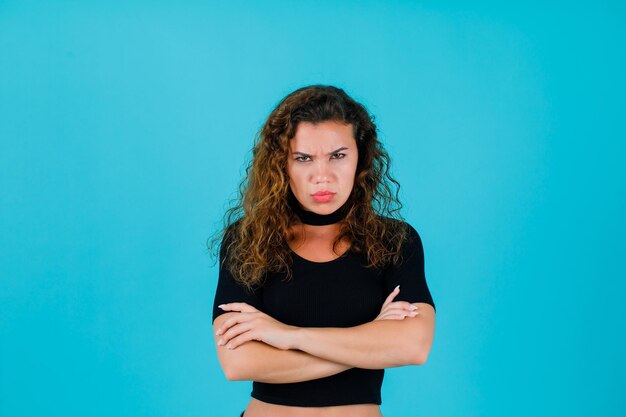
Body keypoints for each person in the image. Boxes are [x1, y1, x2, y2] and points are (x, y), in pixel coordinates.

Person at [208, 85, 436, 417]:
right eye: (303, 158)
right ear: (281, 164)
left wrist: (286, 336)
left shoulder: (395, 241)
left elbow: (413, 346)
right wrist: (369, 341)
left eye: (338, 155)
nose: (322, 176)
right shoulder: (248, 239)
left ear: (361, 157)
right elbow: (238, 362)